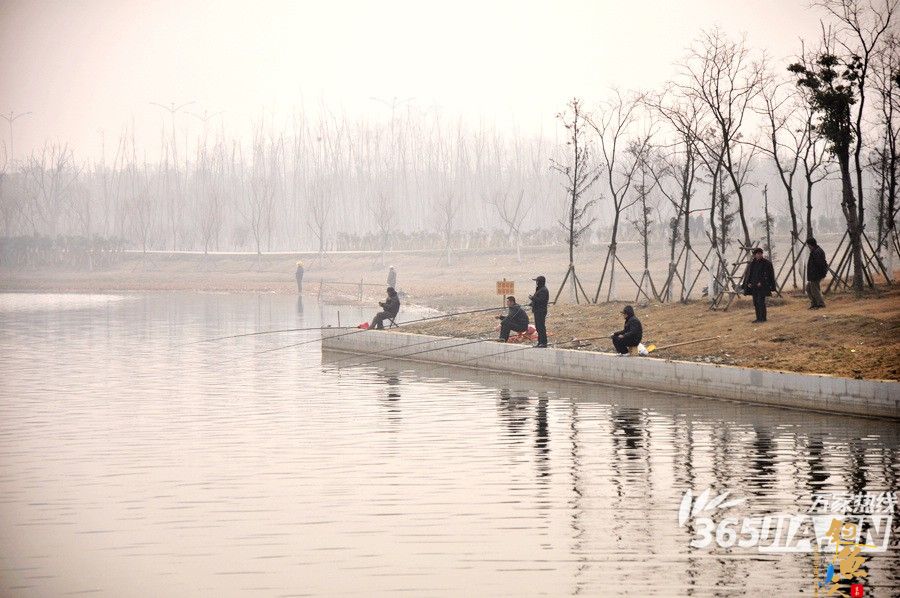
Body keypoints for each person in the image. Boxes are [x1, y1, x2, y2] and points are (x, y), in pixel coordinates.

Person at [741, 247, 777, 323]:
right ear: (754, 255)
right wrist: (748, 283)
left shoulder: (766, 263)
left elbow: (768, 275)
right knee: (756, 302)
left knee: (761, 302)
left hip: (762, 287)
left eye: (761, 253)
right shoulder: (752, 264)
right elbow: (749, 275)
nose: (759, 255)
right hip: (754, 286)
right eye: (758, 254)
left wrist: (762, 282)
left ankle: (763, 318)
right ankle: (758, 318)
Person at [806, 237, 828, 309]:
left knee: (814, 289)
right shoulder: (815, 251)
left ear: (810, 244)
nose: (808, 247)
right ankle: (814, 303)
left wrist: (820, 274)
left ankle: (820, 304)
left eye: (808, 245)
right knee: (809, 288)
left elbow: (820, 264)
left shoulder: (817, 252)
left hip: (816, 274)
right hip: (813, 274)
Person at [528, 275, 549, 348]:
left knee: (541, 327)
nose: (536, 283)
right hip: (538, 311)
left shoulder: (543, 290)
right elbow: (538, 300)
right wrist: (532, 303)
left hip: (540, 311)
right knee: (538, 327)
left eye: (537, 281)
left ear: (539, 282)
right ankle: (540, 342)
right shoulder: (540, 289)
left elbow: (541, 301)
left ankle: (543, 343)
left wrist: (532, 298)